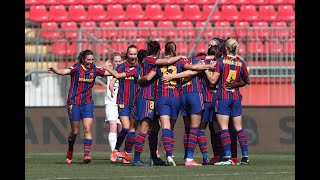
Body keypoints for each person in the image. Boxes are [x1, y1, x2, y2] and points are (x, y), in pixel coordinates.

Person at [47, 49, 111, 164]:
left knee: (87, 128)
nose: (90, 62)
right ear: (83, 59)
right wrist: (56, 71)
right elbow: (65, 71)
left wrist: (108, 67)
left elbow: (109, 73)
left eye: (92, 60)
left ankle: (86, 155)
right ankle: (70, 149)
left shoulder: (94, 70)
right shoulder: (77, 68)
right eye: (88, 60)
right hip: (74, 102)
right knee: (75, 132)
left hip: (87, 103)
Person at [135, 41, 187, 166]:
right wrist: (180, 56)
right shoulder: (152, 61)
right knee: (144, 127)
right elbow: (149, 77)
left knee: (155, 128)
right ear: (158, 51)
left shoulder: (147, 61)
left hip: (154, 98)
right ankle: (136, 158)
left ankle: (154, 157)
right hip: (147, 97)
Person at [205, 38, 251, 165]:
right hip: (235, 97)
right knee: (239, 128)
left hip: (223, 97)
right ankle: (245, 157)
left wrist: (206, 70)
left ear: (225, 48)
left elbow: (213, 80)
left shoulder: (221, 62)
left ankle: (227, 157)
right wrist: (236, 83)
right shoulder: (241, 63)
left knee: (224, 128)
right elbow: (247, 81)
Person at [99, 45, 141, 164]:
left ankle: (126, 154)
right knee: (126, 128)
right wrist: (111, 87)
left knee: (132, 130)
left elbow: (117, 75)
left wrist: (107, 67)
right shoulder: (122, 66)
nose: (133, 56)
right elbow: (113, 79)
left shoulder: (139, 67)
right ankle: (116, 149)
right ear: (127, 54)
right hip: (123, 101)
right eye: (131, 54)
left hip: (135, 102)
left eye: (134, 54)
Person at [102, 53, 124, 162]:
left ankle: (119, 150)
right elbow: (99, 70)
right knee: (112, 125)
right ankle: (114, 153)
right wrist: (104, 66)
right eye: (116, 61)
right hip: (111, 103)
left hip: (122, 103)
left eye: (120, 61)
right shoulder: (108, 72)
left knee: (122, 129)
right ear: (112, 62)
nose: (118, 63)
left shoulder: (125, 72)